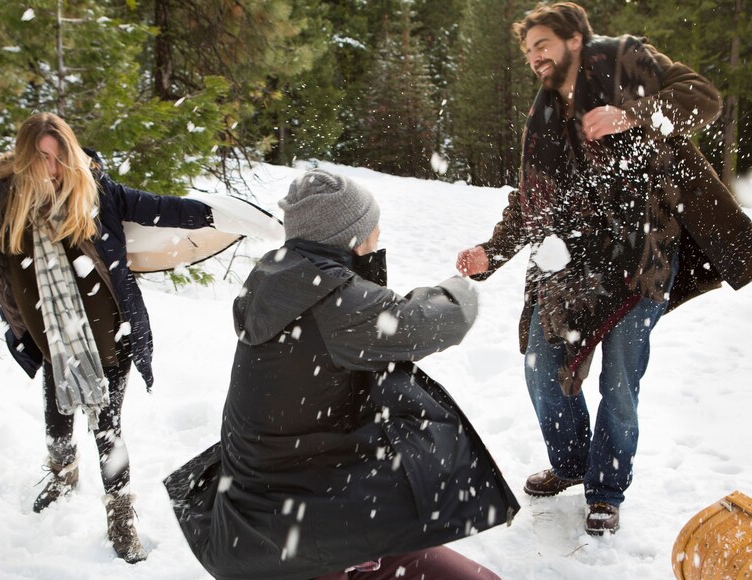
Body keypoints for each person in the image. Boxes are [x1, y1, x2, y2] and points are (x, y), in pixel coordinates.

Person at [455, 2, 752, 536]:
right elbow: (535, 197)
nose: (534, 58)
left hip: (641, 253)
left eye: (542, 45)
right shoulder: (545, 114)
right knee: (541, 366)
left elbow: (703, 98)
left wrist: (634, 114)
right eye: (528, 50)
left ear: (574, 39)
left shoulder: (624, 60)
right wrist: (493, 252)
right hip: (570, 260)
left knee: (620, 380)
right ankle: (572, 463)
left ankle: (606, 488)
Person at [0, 112, 215, 563]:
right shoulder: (3, 190)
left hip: (108, 336)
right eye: (43, 157)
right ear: (25, 157)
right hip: (53, 340)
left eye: (61, 156)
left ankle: (120, 516)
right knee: (57, 423)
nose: (54, 168)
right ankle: (63, 475)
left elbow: (161, 207)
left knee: (107, 430)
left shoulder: (97, 190)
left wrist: (221, 214)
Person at [164, 169, 520, 580]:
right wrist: (463, 286)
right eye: (371, 225)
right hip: (294, 535)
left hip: (280, 513)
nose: (379, 231)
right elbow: (433, 321)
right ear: (348, 235)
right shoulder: (330, 300)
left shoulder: (284, 276)